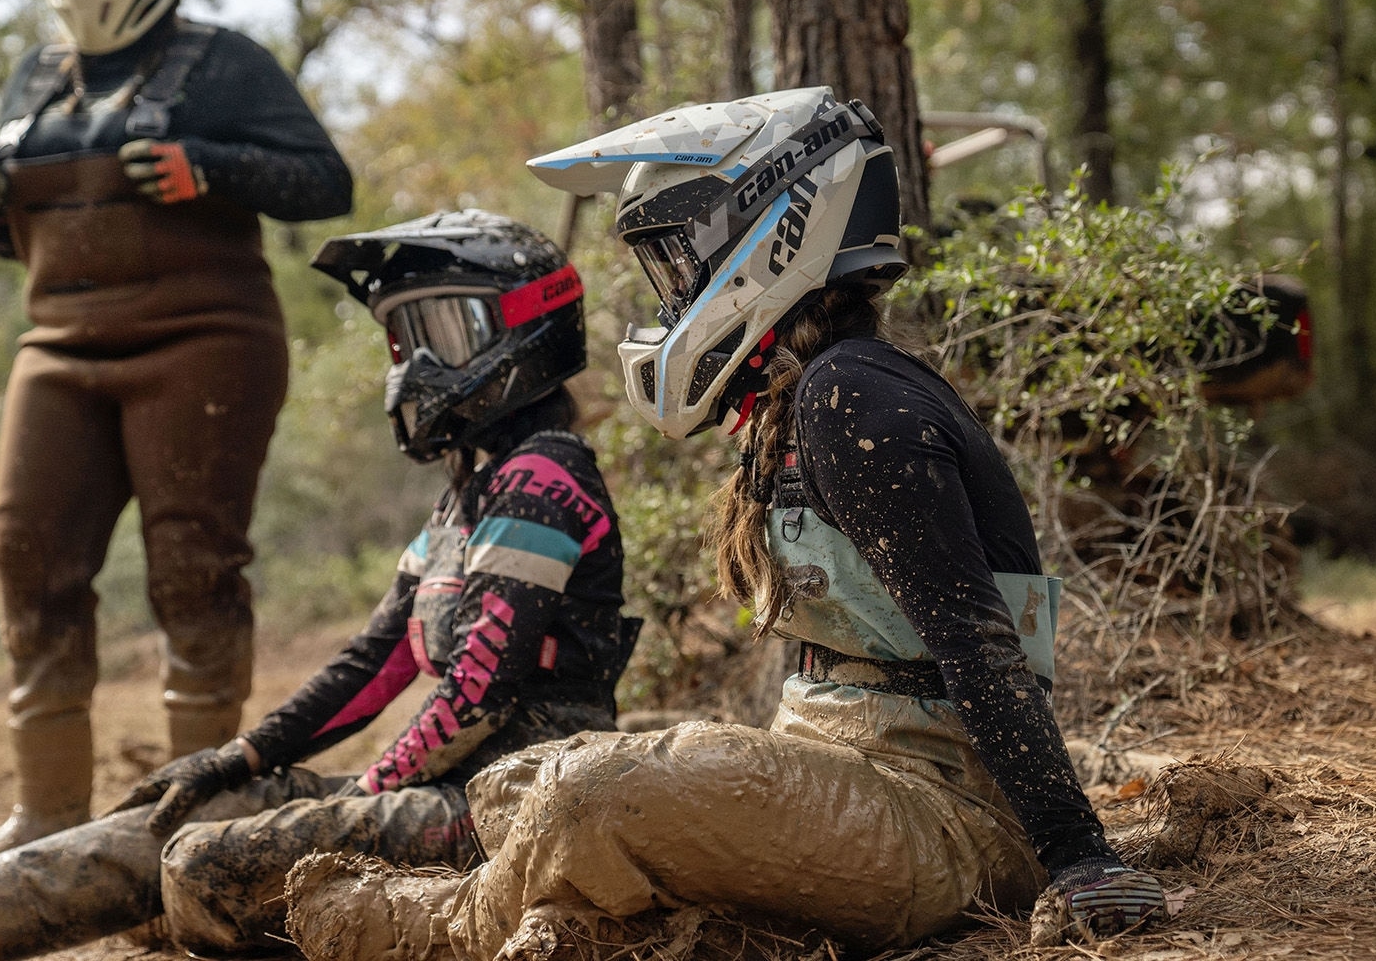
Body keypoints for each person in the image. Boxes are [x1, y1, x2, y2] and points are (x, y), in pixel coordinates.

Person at [284, 89, 1167, 961]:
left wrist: (1078, 855)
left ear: (771, 231)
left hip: (948, 814)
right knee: (517, 785)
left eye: (678, 265)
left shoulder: (848, 393)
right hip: (865, 778)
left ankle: (417, 929)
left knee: (585, 789)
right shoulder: (810, 396)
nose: (672, 301)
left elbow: (976, 639)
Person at [0, 211, 636, 961]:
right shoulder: (467, 496)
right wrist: (235, 760)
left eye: (439, 330)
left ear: (524, 326)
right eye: (403, 338)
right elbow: (371, 667)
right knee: (187, 813)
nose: (414, 366)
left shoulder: (542, 476)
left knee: (202, 864)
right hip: (435, 793)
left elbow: (479, 694)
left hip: (508, 808)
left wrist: (354, 795)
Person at [0, 0, 354, 865]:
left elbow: (326, 182)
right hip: (57, 350)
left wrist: (206, 164)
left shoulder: (224, 63)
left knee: (192, 566)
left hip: (204, 341)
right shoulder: (32, 79)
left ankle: (201, 811)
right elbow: (17, 241)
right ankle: (48, 814)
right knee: (25, 556)